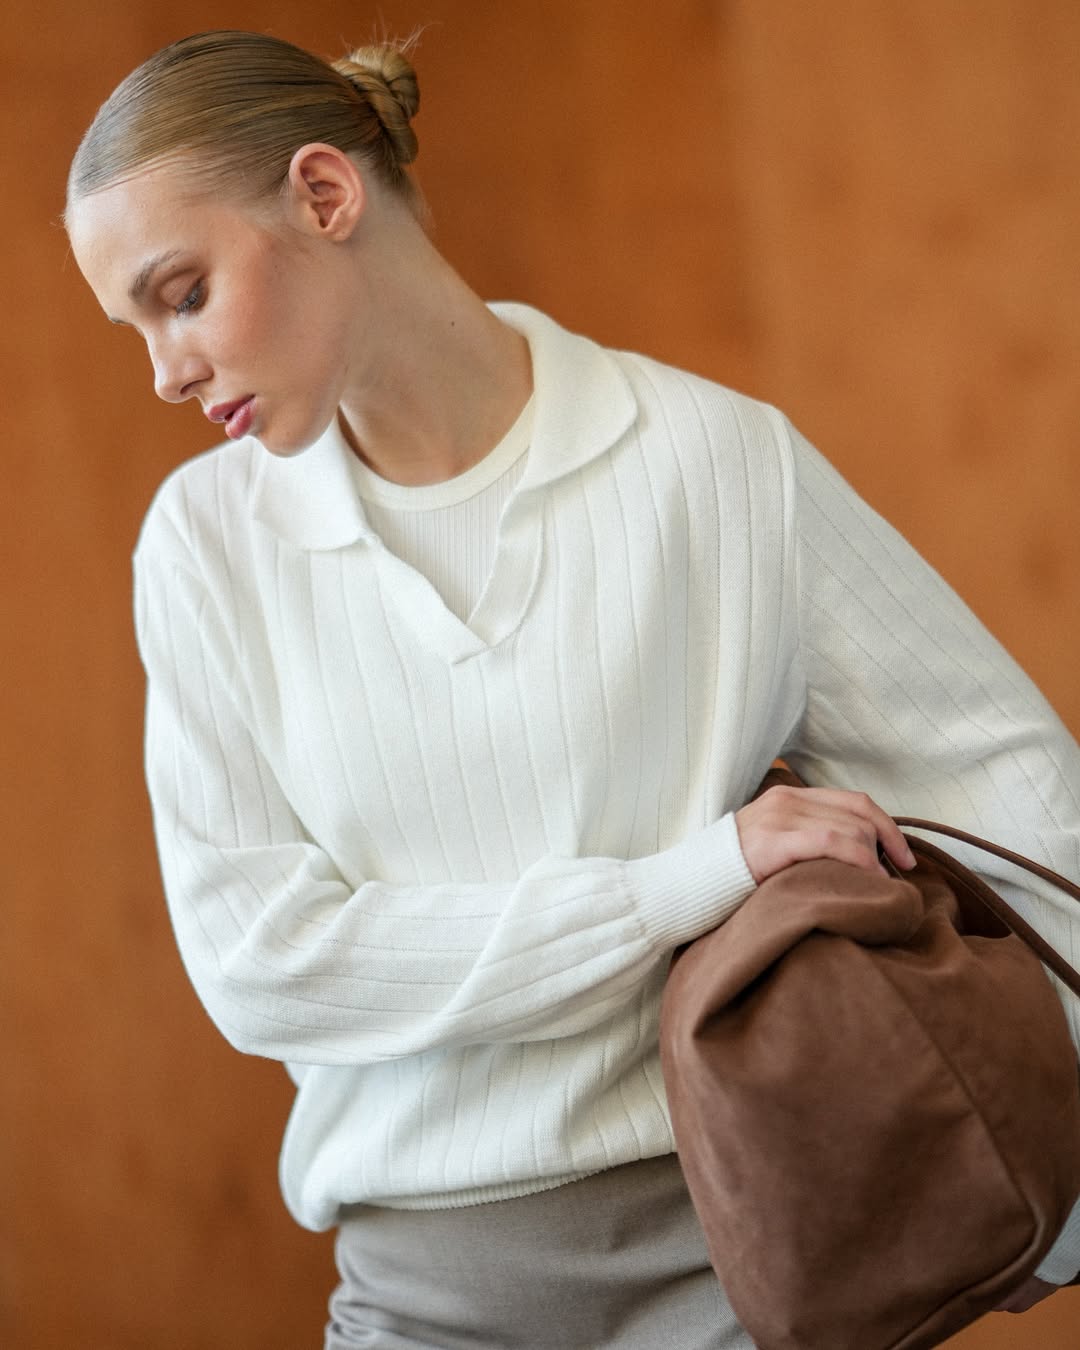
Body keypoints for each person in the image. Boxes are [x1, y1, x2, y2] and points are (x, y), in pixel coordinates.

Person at [65, 28, 1080, 1348]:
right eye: (137, 326)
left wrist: (1055, 1172)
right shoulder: (202, 547)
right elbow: (264, 964)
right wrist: (681, 883)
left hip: (748, 1272)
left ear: (324, 194)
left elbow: (1011, 785)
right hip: (416, 1302)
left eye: (183, 293)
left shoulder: (717, 466)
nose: (165, 369)